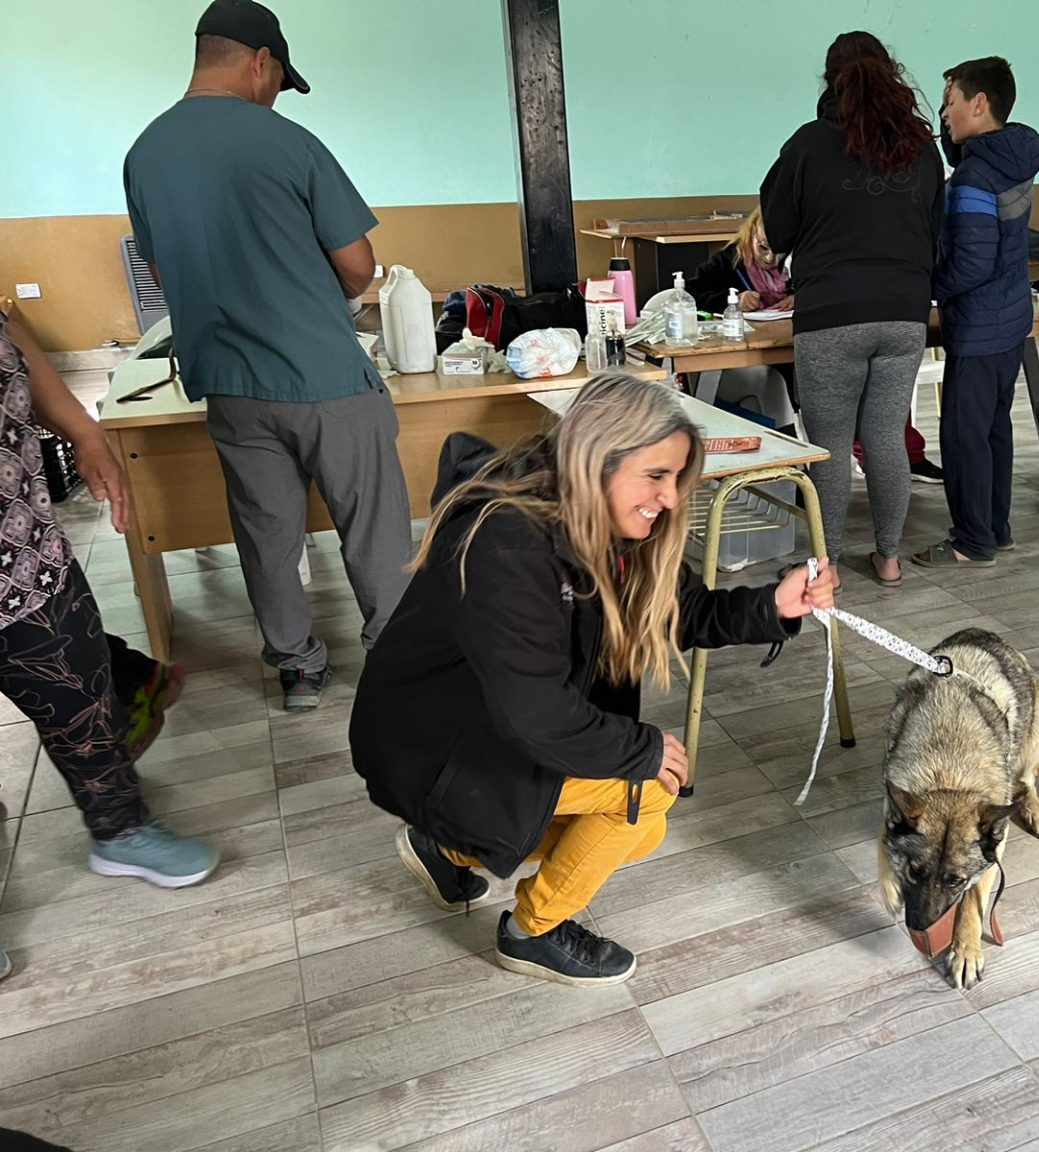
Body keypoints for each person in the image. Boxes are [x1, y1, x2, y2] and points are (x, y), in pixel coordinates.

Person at [349, 375, 834, 986]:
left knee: (642, 814)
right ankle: (533, 929)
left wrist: (775, 606)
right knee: (647, 794)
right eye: (655, 476)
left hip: (484, 731)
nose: (670, 498)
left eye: (676, 480)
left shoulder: (608, 525)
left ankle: (447, 849)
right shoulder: (508, 541)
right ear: (596, 458)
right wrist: (643, 750)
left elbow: (683, 614)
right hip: (430, 746)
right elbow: (535, 712)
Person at [123, 0, 412, 711]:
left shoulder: (145, 153)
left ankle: (298, 669)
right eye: (279, 80)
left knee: (266, 531)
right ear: (261, 61)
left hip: (228, 384)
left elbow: (159, 274)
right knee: (372, 525)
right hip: (324, 376)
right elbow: (358, 266)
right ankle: (395, 657)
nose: (275, 96)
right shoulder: (288, 143)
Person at [0, 308, 218, 925]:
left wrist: (84, 431)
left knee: (84, 703)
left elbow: (11, 331)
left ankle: (121, 832)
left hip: (26, 557)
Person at [760, 30, 944, 589]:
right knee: (887, 436)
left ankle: (828, 564)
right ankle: (888, 559)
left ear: (829, 79)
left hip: (831, 314)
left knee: (831, 444)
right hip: (905, 312)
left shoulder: (809, 143)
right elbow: (934, 230)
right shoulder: (921, 145)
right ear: (890, 73)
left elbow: (778, 229)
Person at [910, 56, 1039, 569]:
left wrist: (925, 288)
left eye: (949, 103)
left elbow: (969, 261)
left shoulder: (973, 177)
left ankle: (972, 541)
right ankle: (997, 528)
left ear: (978, 103)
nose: (944, 114)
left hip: (979, 323)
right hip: (1011, 317)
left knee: (964, 435)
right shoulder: (1013, 155)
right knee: (993, 427)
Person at [685, 208, 794, 315]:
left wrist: (802, 299)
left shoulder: (799, 260)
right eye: (763, 247)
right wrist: (733, 301)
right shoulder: (728, 260)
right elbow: (687, 294)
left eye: (780, 251)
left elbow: (809, 292)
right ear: (751, 232)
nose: (770, 258)